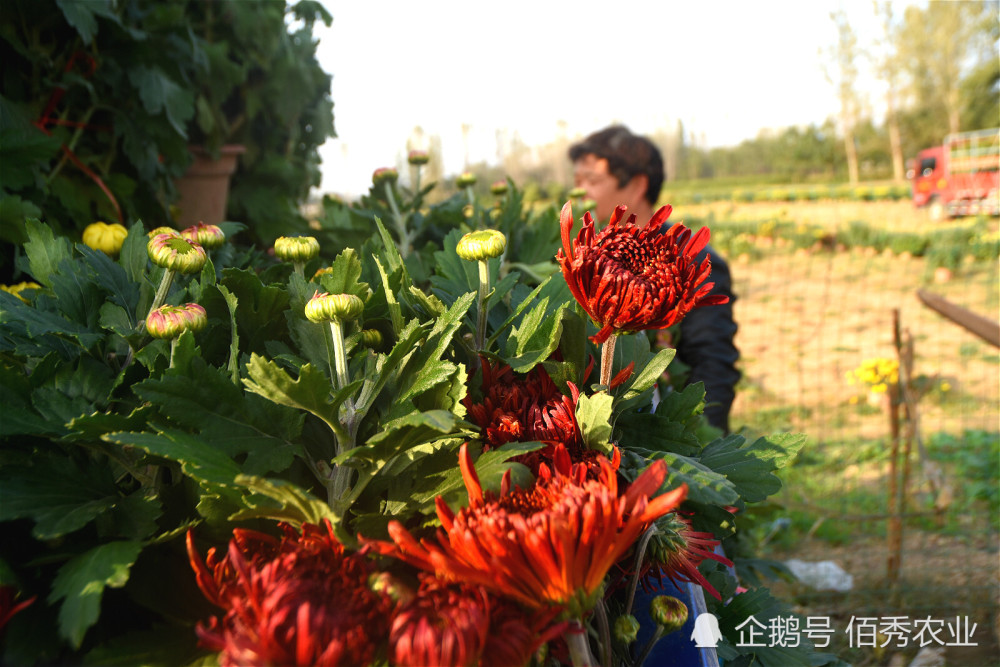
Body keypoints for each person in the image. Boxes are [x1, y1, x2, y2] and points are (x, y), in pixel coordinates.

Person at [568, 125, 740, 433]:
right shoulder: (586, 255)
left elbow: (712, 368)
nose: (580, 193)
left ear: (637, 185)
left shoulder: (694, 263)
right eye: (576, 181)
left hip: (662, 438)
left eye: (592, 181)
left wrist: (699, 445)